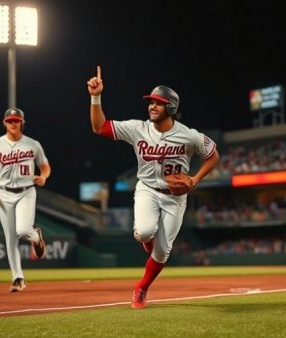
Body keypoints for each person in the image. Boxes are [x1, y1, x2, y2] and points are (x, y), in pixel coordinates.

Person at [87, 66, 219, 309]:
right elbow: (100, 127)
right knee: (145, 232)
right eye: (150, 102)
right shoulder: (138, 128)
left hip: (175, 198)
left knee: (162, 252)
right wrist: (96, 97)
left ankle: (141, 289)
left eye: (158, 103)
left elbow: (212, 155)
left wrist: (195, 179)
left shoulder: (189, 136)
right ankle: (146, 239)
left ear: (170, 107)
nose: (152, 106)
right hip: (147, 189)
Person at [0, 107, 50, 292]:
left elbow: (45, 166)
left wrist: (44, 176)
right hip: (4, 194)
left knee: (23, 230)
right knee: (10, 238)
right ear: (4, 123)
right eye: (10, 121)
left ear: (22, 122)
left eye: (16, 120)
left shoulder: (33, 144)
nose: (13, 123)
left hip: (26, 191)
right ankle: (18, 277)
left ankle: (36, 236)